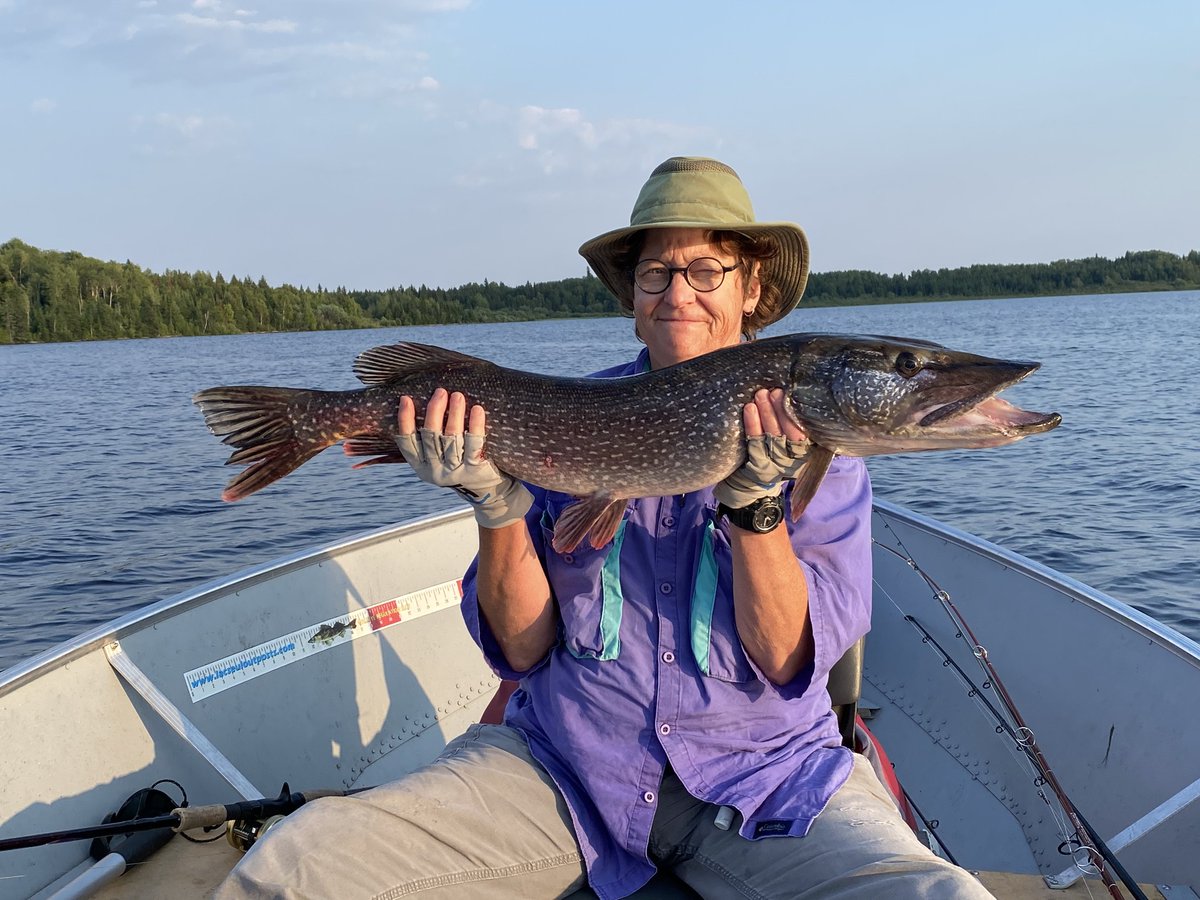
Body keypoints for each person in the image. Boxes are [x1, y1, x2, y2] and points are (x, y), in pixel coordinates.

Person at [217, 157, 994, 899]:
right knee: (298, 869)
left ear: (752, 285)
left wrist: (758, 508)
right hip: (564, 772)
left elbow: (791, 658)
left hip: (765, 782)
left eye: (705, 271)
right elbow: (521, 650)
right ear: (632, 294)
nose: (677, 293)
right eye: (655, 273)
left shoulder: (829, 468)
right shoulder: (570, 419)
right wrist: (496, 502)